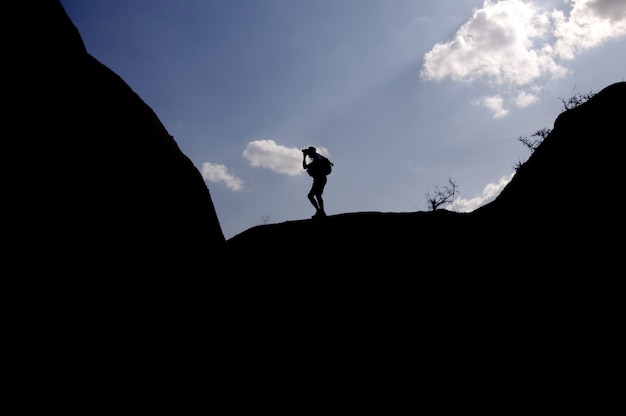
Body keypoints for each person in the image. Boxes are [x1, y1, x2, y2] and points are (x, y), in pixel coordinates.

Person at [302, 146, 328, 219]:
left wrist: (310, 154)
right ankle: (319, 211)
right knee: (312, 195)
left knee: (317, 195)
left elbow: (316, 161)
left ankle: (321, 211)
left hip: (321, 178)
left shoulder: (317, 157)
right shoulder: (314, 159)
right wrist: (304, 157)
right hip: (317, 179)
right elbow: (304, 167)